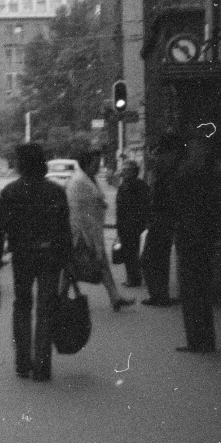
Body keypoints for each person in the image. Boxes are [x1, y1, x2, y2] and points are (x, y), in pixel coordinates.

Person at [0, 143, 73, 381]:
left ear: (22, 164)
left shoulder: (11, 191)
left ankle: (23, 362)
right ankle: (43, 366)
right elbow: (64, 229)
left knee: (22, 305)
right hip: (50, 256)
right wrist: (68, 260)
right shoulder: (56, 191)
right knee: (46, 308)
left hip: (22, 256)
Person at [67, 148, 133, 312]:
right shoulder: (80, 181)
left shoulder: (88, 178)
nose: (98, 167)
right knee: (72, 267)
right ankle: (57, 297)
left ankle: (115, 298)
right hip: (82, 232)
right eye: (96, 163)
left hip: (90, 231)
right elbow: (95, 201)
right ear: (87, 164)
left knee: (98, 264)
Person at [171, 130, 219, 354]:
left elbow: (177, 204)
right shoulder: (211, 174)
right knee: (202, 290)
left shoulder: (186, 172)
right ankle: (206, 339)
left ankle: (196, 340)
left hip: (189, 238)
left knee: (191, 291)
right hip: (205, 238)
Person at [141, 133, 183, 306]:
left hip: (161, 216)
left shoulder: (164, 165)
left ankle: (159, 295)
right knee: (160, 257)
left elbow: (157, 192)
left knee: (151, 257)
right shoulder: (173, 164)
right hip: (167, 216)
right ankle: (161, 294)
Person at [114, 159, 151, 288]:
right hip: (124, 224)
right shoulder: (124, 185)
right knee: (128, 252)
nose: (124, 172)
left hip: (134, 224)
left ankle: (134, 278)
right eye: (123, 170)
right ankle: (132, 277)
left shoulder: (139, 186)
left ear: (134, 172)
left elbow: (144, 205)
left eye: (127, 170)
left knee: (132, 252)